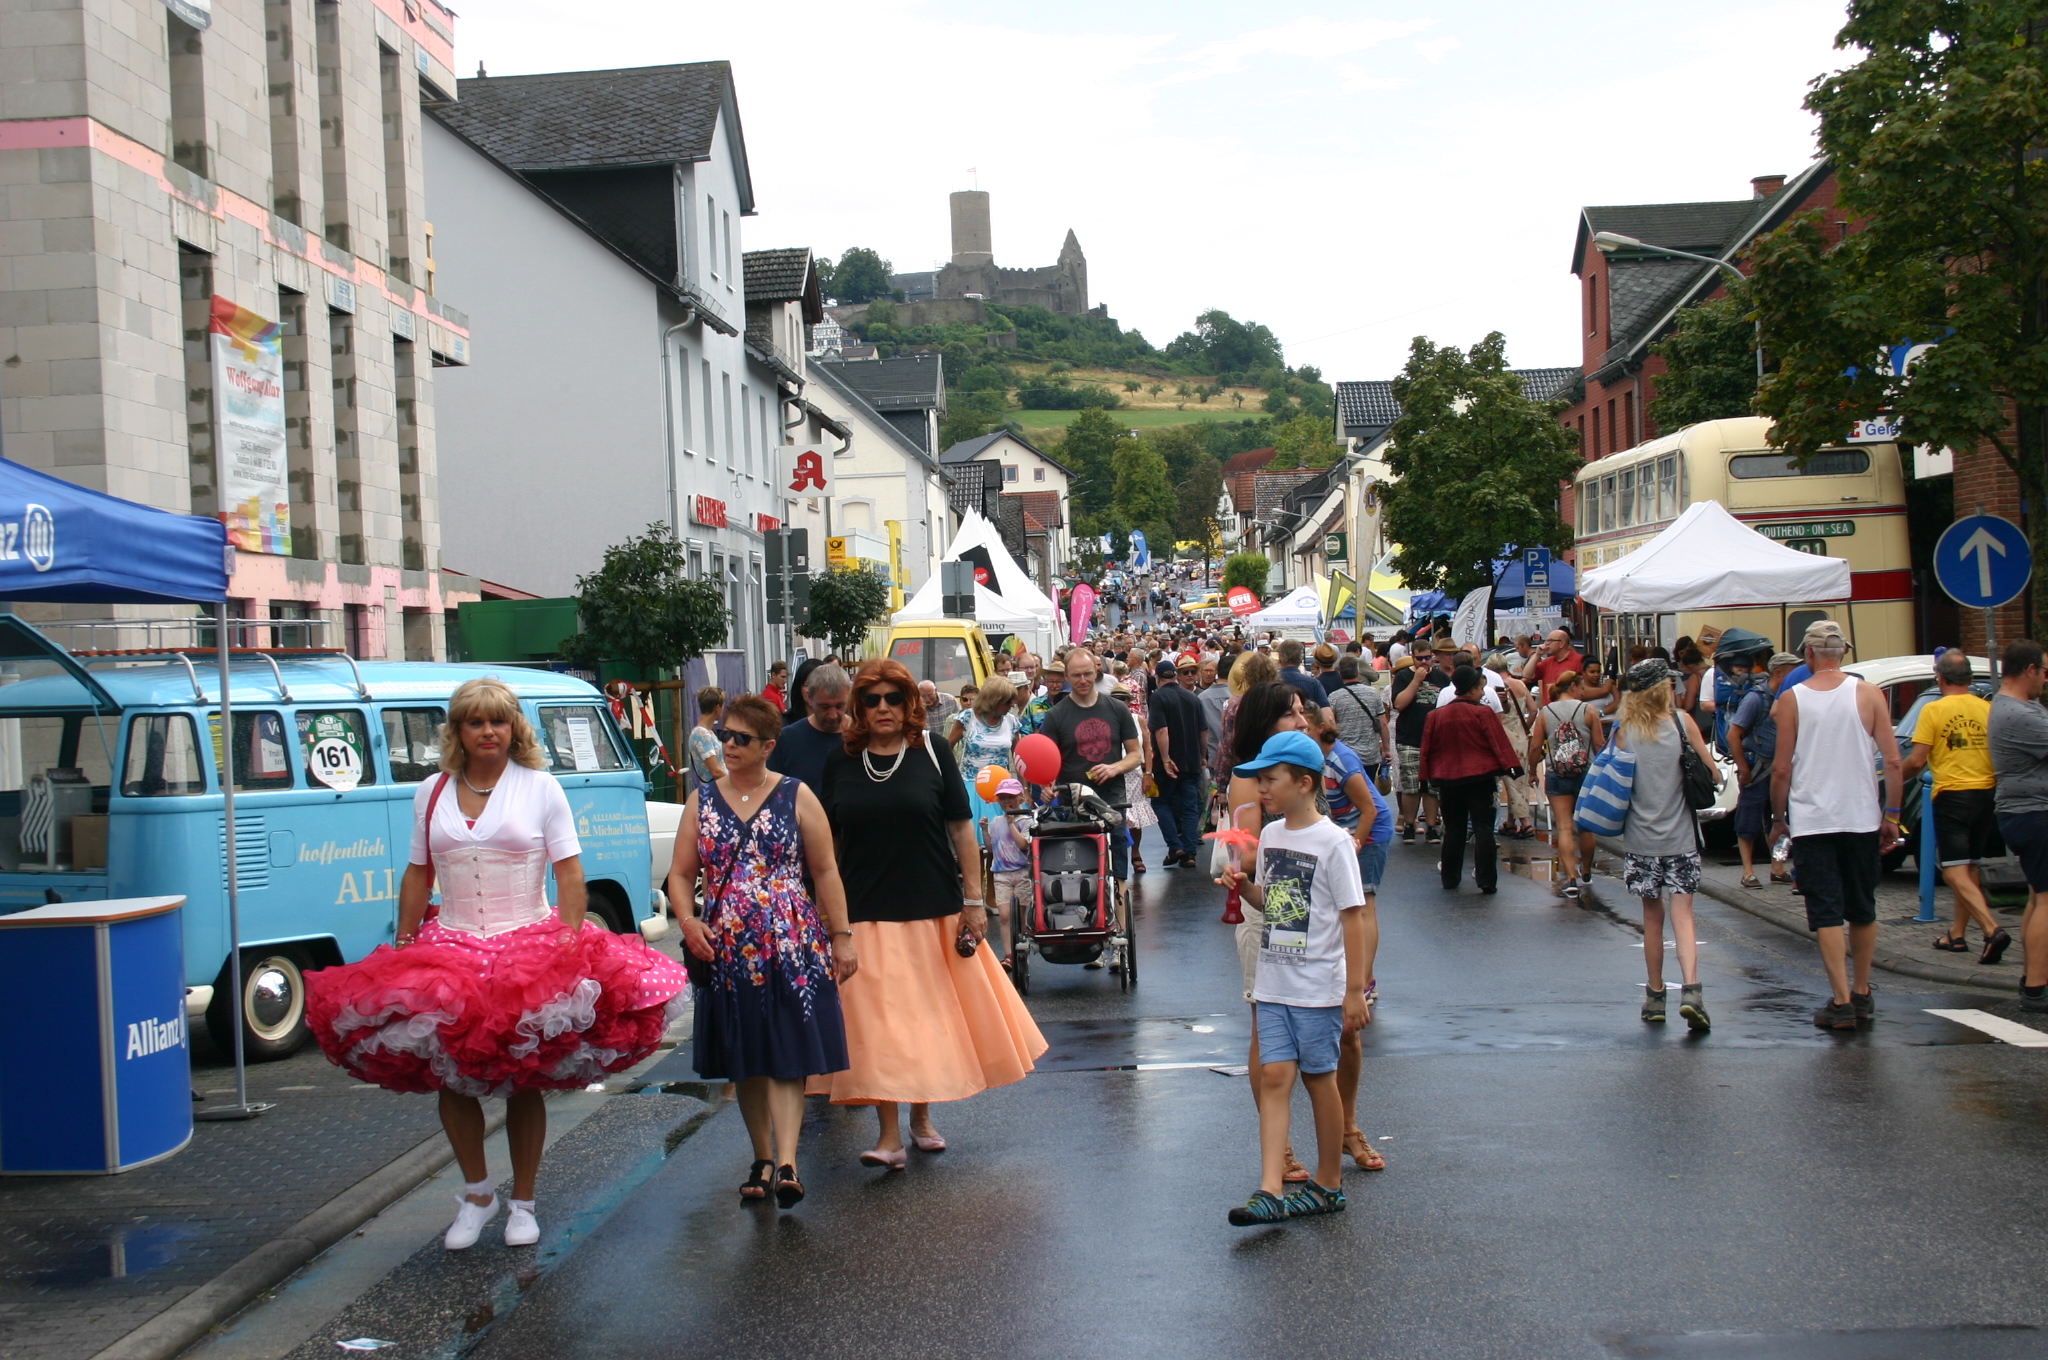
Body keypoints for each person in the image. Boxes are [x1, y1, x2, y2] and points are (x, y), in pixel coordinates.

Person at [306, 679, 687, 1251]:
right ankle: (478, 1193)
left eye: (498, 721)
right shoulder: (431, 791)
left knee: (523, 1078)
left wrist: (568, 941)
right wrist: (405, 940)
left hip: (528, 946)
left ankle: (524, 1203)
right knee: (450, 1073)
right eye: (476, 722)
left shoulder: (540, 787)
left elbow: (569, 872)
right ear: (458, 731)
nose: (488, 732)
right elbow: (418, 873)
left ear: (514, 728)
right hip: (450, 948)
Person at [812, 659, 1047, 1162]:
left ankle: (920, 1115)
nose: (883, 708)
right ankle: (888, 1135)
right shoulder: (841, 761)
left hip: (931, 906)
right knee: (879, 1025)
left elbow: (962, 829)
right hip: (864, 909)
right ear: (859, 707)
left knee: (923, 1018)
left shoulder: (934, 752)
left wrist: (974, 902)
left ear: (909, 703)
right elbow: (828, 843)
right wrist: (826, 914)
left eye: (893, 698)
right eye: (871, 699)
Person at [668, 695, 854, 1209]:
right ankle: (762, 1156)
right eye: (725, 735)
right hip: (727, 947)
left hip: (792, 943)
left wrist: (841, 937)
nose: (728, 745)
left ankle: (789, 1161)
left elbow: (826, 871)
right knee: (745, 1055)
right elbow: (680, 874)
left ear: (769, 746)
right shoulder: (702, 801)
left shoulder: (797, 795)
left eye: (741, 738)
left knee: (788, 1053)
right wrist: (688, 921)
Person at [1217, 730, 1376, 1225]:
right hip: (1273, 983)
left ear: (1304, 783)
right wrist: (1244, 886)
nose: (1262, 788)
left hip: (1317, 987)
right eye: (1260, 780)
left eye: (1271, 779)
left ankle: (1329, 1183)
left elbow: (1353, 917)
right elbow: (1278, 906)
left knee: (1318, 1079)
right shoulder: (1271, 836)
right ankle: (1270, 1188)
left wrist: (1354, 990)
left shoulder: (1334, 842)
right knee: (1274, 1077)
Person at [1768, 620, 1901, 1030]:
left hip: (1813, 820)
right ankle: (1861, 992)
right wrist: (1892, 815)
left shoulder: (1791, 699)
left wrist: (1778, 819)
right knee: (1862, 905)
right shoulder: (1869, 694)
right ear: (1843, 651)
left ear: (1808, 654)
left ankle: (1840, 1000)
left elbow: (1781, 769)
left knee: (1825, 910)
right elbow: (1893, 761)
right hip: (1860, 816)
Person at [1305, 705, 1393, 1174]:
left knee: (1364, 905)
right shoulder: (1310, 764)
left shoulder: (1339, 759)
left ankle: (1366, 977)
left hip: (1366, 833)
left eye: (1305, 726)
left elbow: (1371, 808)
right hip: (1342, 833)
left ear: (1320, 731)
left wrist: (1354, 843)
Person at [1610, 660, 1720, 1031]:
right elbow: (1712, 772)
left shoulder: (1624, 731)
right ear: (1663, 688)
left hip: (1641, 840)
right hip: (1681, 838)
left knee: (1652, 919)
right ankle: (1692, 992)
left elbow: (1614, 782)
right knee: (1683, 916)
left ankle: (1655, 996)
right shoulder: (1682, 724)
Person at [1902, 651, 2010, 962]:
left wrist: (1897, 777)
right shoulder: (1987, 709)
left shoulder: (1933, 710)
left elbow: (1917, 760)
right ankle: (1957, 935)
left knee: (1952, 871)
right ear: (1970, 679)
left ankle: (1991, 929)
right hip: (1985, 793)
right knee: (1969, 867)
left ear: (1940, 678)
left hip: (1952, 795)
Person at [1039, 648, 1143, 883]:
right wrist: (1047, 787)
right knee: (1078, 873)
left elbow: (1136, 754)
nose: (1083, 680)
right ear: (1067, 676)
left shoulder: (1117, 708)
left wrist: (1115, 768)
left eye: (1087, 674)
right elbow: (1048, 762)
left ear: (1096, 672)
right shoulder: (1056, 716)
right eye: (1076, 675)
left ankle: (1120, 906)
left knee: (1117, 872)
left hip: (1112, 802)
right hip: (1073, 805)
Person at [1419, 666, 1522, 894]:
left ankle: (1450, 877)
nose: (1483, 692)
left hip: (1448, 778)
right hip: (1481, 777)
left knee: (1453, 828)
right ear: (1473, 689)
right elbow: (1499, 742)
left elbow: (1427, 749)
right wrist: (1512, 768)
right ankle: (1486, 880)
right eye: (1480, 688)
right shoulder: (1483, 713)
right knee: (1483, 828)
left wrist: (1424, 778)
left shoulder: (1435, 716)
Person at [1988, 639, 2048, 1014]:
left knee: (2037, 897)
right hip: (2035, 813)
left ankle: (2031, 977)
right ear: (2029, 670)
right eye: (2044, 671)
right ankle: (2038, 989)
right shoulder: (2020, 714)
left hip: (2023, 812)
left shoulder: (2016, 706)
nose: (2046, 679)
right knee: (2046, 900)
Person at [1726, 652, 1800, 890]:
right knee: (1748, 821)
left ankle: (1777, 868)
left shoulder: (1789, 699)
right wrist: (1743, 768)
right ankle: (1747, 872)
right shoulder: (1755, 699)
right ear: (1779, 672)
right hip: (1757, 769)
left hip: (1780, 770)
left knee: (1779, 819)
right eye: (1793, 671)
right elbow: (1734, 734)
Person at [1527, 671, 1603, 898]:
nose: (1583, 692)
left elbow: (1535, 747)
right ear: (1573, 687)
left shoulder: (1545, 712)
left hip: (1556, 774)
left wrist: (1532, 771)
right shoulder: (1588, 710)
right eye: (1582, 688)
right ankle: (1586, 871)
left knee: (1564, 827)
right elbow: (1600, 743)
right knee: (1586, 826)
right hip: (1586, 774)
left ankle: (1571, 878)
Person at [1391, 640, 1457, 843]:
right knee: (1411, 785)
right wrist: (1416, 681)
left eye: (1428, 658)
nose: (1424, 662)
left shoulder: (1441, 677)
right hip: (1410, 737)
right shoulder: (1404, 676)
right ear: (1413, 657)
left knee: (1432, 787)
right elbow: (1399, 704)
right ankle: (1409, 824)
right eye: (1420, 658)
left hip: (1436, 740)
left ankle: (1431, 826)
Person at [1149, 659, 1209, 867]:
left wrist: (1165, 758)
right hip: (1191, 759)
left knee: (1161, 802)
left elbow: (1161, 730)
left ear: (1157, 677)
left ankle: (1175, 846)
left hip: (1168, 761)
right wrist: (1202, 755)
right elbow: (1203, 731)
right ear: (1175, 676)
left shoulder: (1158, 697)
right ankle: (1190, 852)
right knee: (1189, 806)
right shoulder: (1192, 697)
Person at [948, 675, 1019, 834]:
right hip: (971, 787)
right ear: (995, 700)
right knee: (975, 835)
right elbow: (947, 748)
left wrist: (1025, 789)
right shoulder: (967, 717)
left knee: (1008, 837)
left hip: (1003, 790)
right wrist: (950, 780)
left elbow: (1019, 758)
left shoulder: (1011, 721)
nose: (1012, 704)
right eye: (1008, 701)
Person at [767, 664, 851, 795]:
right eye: (825, 707)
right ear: (810, 698)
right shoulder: (787, 740)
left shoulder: (863, 736)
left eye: (840, 706)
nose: (833, 715)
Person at [983, 778, 1035, 970]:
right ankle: (1008, 955)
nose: (1006, 801)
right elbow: (991, 848)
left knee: (1021, 915)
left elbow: (1023, 845)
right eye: (1002, 797)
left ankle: (1022, 948)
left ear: (1020, 798)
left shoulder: (1026, 820)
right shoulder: (996, 822)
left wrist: (1012, 823)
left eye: (1010, 797)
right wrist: (984, 831)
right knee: (1004, 915)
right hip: (1001, 874)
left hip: (1022, 872)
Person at [1485, 654, 1537, 838]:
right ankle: (1510, 822)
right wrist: (1524, 727)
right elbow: (1533, 710)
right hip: (1521, 738)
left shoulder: (1496, 687)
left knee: (1509, 782)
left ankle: (1526, 822)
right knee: (1519, 780)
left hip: (1503, 737)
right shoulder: (1520, 684)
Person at [1328, 655, 1390, 785]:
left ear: (1340, 674)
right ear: (1357, 672)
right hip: (1370, 755)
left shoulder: (1334, 697)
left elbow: (1330, 725)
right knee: (1369, 790)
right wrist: (1386, 749)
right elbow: (1383, 723)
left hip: (1345, 756)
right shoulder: (1373, 693)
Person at [1276, 638, 1334, 725]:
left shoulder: (1270, 683)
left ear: (1280, 657)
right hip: (1308, 729)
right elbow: (1328, 716)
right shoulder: (1313, 683)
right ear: (1301, 658)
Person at [687, 686, 728, 795]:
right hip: (715, 792)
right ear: (717, 708)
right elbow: (716, 771)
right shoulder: (701, 734)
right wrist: (737, 784)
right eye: (723, 706)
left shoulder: (708, 733)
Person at [1528, 628, 1588, 700]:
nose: (1546, 643)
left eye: (1550, 640)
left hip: (1570, 706)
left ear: (1561, 643)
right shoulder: (1548, 662)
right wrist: (1537, 655)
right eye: (1546, 641)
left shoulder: (1580, 660)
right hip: (1550, 706)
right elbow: (1527, 675)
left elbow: (1586, 688)